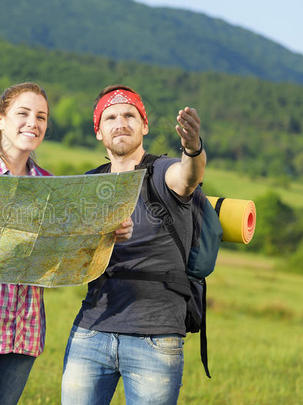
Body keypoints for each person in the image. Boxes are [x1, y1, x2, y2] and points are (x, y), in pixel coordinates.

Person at [0, 82, 133, 405]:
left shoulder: (47, 185)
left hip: (23, 328)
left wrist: (109, 232)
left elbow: (65, 252)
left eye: (41, 117)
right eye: (23, 113)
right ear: (1, 120)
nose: (33, 123)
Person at [61, 85, 206, 405]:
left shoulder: (162, 171)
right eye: (110, 117)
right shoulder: (89, 183)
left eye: (130, 115)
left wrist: (193, 148)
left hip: (155, 337)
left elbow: (188, 177)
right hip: (91, 330)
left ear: (145, 125)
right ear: (98, 131)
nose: (121, 122)